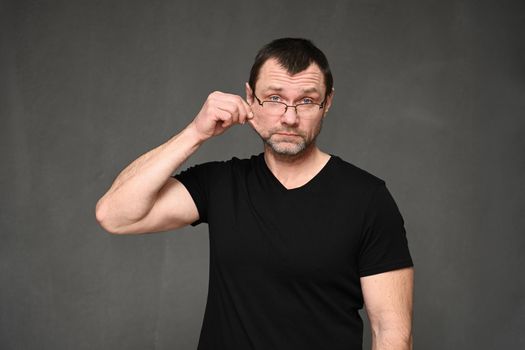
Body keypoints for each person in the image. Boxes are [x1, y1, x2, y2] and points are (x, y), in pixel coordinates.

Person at [95, 38, 414, 350]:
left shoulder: (367, 199)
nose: (290, 117)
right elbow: (115, 215)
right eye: (274, 98)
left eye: (306, 101)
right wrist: (196, 132)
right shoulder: (220, 184)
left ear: (326, 103)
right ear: (250, 97)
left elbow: (391, 331)